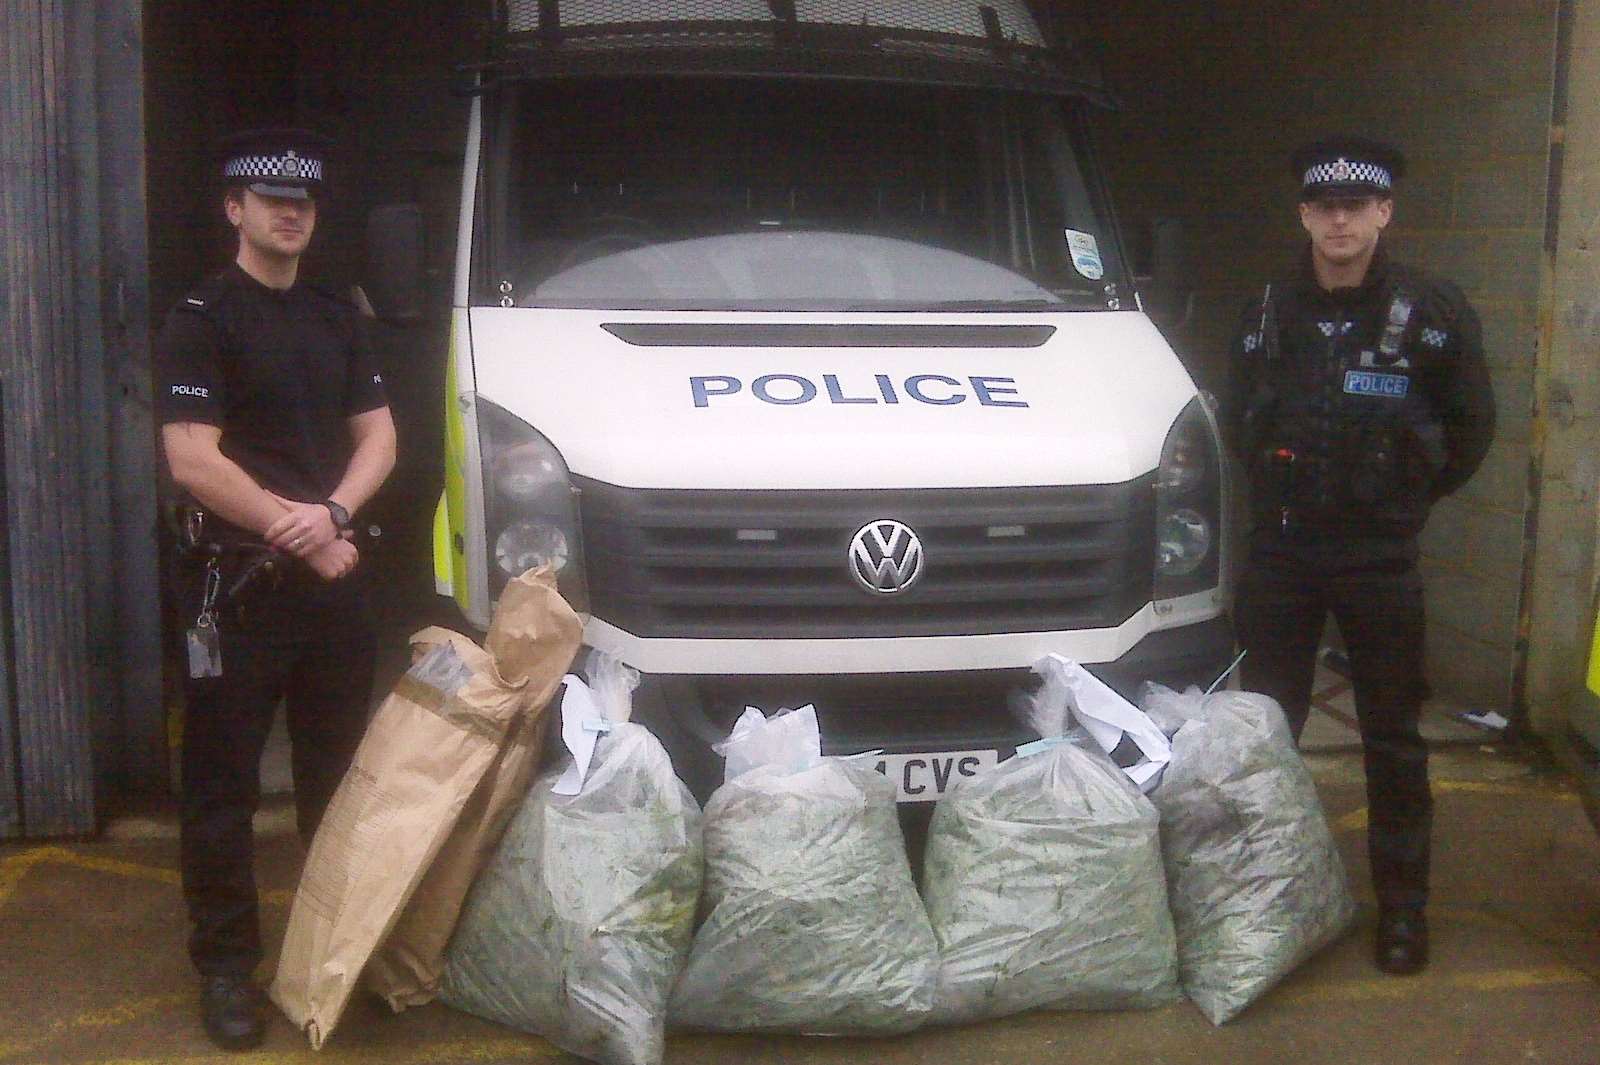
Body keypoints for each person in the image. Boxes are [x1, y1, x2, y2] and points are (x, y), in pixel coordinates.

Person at [1225, 136, 1496, 976]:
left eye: (1357, 205)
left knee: (1392, 739)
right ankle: (1257, 900)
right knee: (1264, 734)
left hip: (1378, 558)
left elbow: (1470, 428)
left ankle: (1403, 912)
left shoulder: (1433, 312)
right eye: (1323, 205)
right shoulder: (1268, 308)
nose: (1339, 220)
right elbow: (1240, 419)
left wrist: (1403, 504)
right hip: (1283, 554)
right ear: (1304, 213)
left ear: (1385, 212)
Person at [156, 128, 397, 1049]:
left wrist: (332, 515)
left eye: (303, 201)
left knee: (338, 779)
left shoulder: (339, 315)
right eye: (269, 198)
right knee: (220, 787)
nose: (290, 212)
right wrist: (291, 527)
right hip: (237, 584)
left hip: (329, 580)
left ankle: (340, 947)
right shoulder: (201, 317)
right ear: (235, 209)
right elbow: (190, 456)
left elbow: (379, 438)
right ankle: (225, 967)